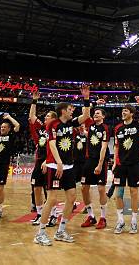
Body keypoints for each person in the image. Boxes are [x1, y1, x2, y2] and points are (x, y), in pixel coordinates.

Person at [34, 86, 91, 246]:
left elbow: (86, 115)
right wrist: (58, 162)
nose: (72, 111)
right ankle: (41, 233)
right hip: (54, 165)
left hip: (68, 166)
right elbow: (51, 145)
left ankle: (61, 231)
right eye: (69, 109)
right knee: (52, 199)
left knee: (72, 197)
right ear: (62, 111)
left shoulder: (71, 123)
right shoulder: (53, 124)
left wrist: (86, 98)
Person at [112, 97, 139, 235]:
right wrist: (114, 163)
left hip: (134, 165)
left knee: (134, 193)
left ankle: (134, 221)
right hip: (120, 165)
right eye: (122, 110)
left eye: (126, 110)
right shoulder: (117, 128)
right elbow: (116, 146)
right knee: (119, 194)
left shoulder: (137, 125)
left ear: (131, 113)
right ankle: (121, 221)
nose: (123, 112)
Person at [28, 92, 58, 226]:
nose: (45, 118)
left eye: (48, 116)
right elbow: (32, 116)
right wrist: (34, 100)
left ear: (54, 119)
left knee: (50, 191)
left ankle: (53, 215)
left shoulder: (57, 130)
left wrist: (48, 161)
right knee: (36, 188)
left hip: (50, 162)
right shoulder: (41, 128)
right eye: (45, 116)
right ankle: (40, 214)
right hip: (39, 162)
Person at [80, 100, 109, 229]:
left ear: (103, 116)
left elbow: (103, 148)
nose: (95, 114)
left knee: (101, 189)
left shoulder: (106, 128)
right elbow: (84, 112)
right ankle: (91, 216)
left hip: (100, 160)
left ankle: (103, 218)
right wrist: (93, 103)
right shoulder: (90, 124)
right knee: (83, 188)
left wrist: (100, 165)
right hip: (88, 160)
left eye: (98, 113)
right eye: (94, 113)